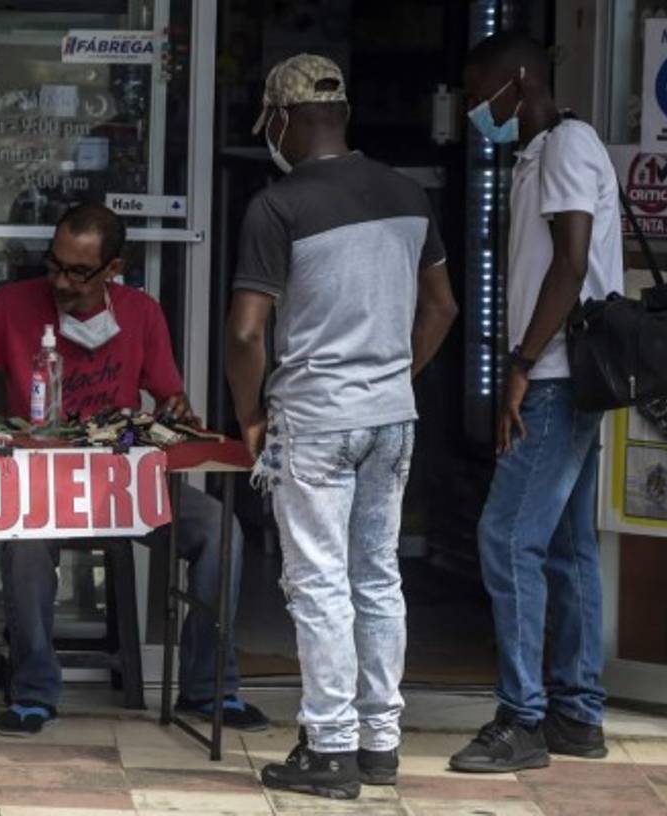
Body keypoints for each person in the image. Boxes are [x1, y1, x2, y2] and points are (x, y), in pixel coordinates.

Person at [0, 203, 268, 737]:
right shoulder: (13, 305)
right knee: (26, 544)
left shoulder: (140, 313)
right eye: (54, 265)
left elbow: (172, 397)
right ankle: (34, 691)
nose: (61, 281)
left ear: (113, 269)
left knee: (222, 532)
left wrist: (176, 411)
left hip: (124, 484)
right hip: (46, 487)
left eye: (79, 272)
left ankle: (209, 688)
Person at [225, 54, 457, 799]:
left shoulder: (277, 205)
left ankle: (329, 748)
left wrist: (250, 413)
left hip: (317, 417)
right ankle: (379, 741)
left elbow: (245, 334)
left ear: (282, 120)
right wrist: (395, 376)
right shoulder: (407, 193)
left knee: (318, 582)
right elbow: (442, 307)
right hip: (391, 417)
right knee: (377, 576)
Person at [450, 32, 622, 773]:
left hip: (554, 375)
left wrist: (521, 366)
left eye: (478, 94)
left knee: (506, 537)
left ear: (518, 82)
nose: (472, 111)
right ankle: (576, 714)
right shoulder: (537, 155)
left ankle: (522, 718)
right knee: (565, 545)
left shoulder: (565, 148)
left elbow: (572, 261)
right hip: (560, 373)